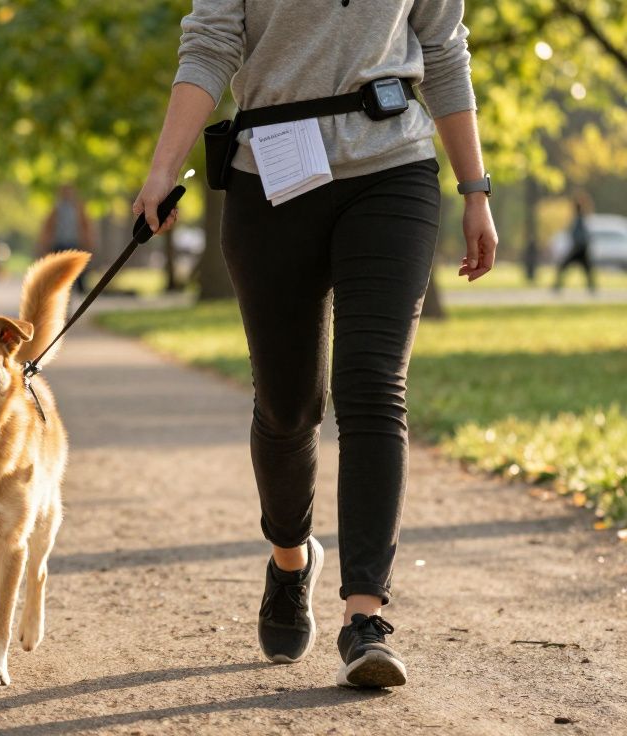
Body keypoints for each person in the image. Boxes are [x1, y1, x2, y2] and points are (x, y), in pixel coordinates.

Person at [134, 1, 498, 689]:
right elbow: (210, 45)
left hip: (394, 166)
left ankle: (365, 619)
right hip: (270, 170)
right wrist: (162, 170)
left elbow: (445, 50)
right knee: (288, 404)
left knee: (371, 382)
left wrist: (475, 189)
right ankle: (290, 558)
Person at [38, 183, 94, 293]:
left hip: (74, 243)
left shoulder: (78, 208)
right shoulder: (56, 209)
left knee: (75, 270)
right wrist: (44, 243)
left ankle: (77, 289)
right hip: (59, 243)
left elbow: (86, 226)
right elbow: (48, 227)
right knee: (59, 271)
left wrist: (88, 241)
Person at [554, 195, 596, 294]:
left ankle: (557, 286)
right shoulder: (580, 219)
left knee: (565, 266)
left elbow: (578, 234)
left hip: (578, 247)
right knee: (586, 269)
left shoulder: (579, 219)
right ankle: (591, 287)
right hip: (582, 247)